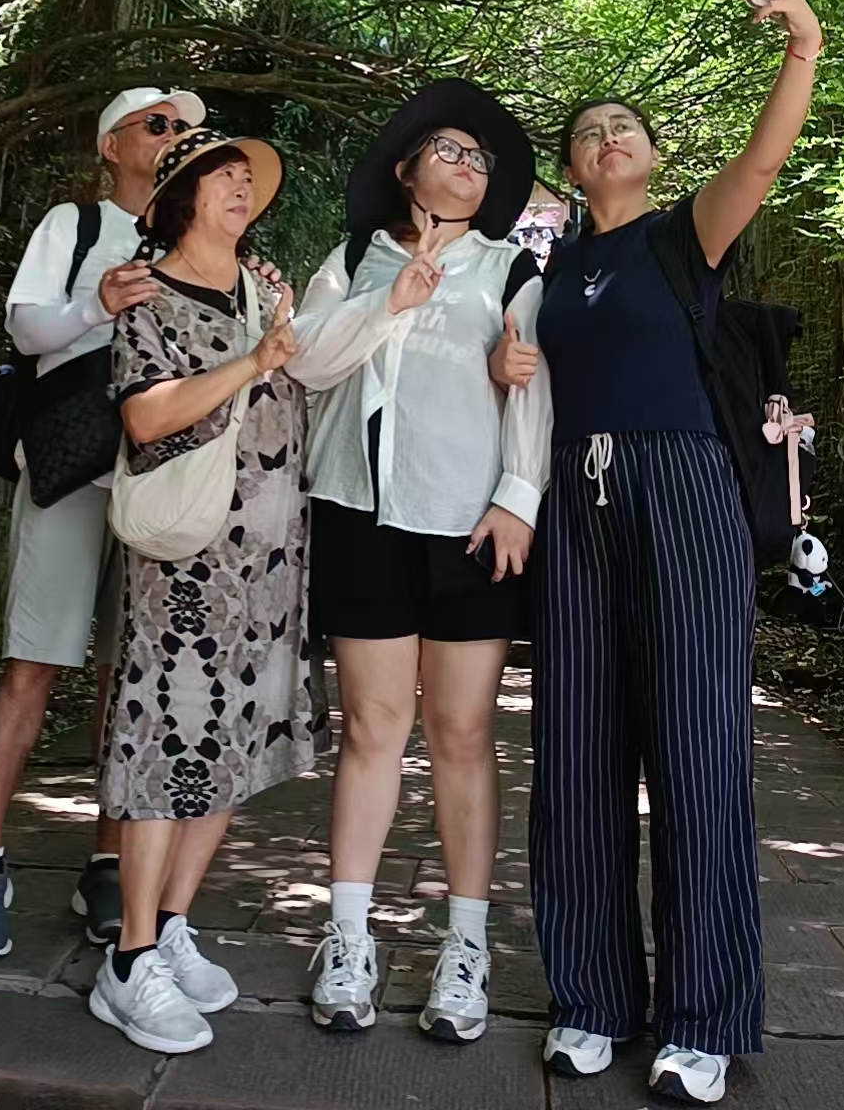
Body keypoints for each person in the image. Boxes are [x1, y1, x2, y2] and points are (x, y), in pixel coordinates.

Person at [518, 0, 822, 1105]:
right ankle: (591, 999)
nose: (608, 138)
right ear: (569, 168)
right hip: (576, 498)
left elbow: (763, 160)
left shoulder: (683, 235)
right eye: (588, 132)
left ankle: (702, 1018)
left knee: (696, 755)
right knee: (575, 756)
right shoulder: (552, 271)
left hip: (684, 491)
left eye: (625, 128)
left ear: (650, 155)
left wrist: (800, 41)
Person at [299, 79, 552, 1045]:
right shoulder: (352, 261)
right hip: (359, 515)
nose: (468, 164)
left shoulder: (510, 269)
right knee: (371, 728)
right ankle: (348, 937)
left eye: (480, 158)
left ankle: (466, 944)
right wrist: (389, 304)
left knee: (461, 731)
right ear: (406, 170)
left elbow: (532, 387)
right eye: (448, 149)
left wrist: (517, 497)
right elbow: (307, 363)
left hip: (467, 523)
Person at [90, 122, 334, 1054]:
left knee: (228, 744)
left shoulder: (263, 289)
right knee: (167, 745)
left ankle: (172, 926)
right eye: (219, 175)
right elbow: (147, 417)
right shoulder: (146, 297)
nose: (239, 187)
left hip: (267, 564)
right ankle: (128, 959)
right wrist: (251, 364)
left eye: (245, 176)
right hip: (185, 564)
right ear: (180, 198)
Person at [0, 87, 205, 961]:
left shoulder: (196, 239)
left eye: (185, 129)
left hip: (158, 483)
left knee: (125, 677)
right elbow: (28, 331)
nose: (173, 138)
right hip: (69, 469)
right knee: (34, 662)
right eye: (157, 125)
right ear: (112, 145)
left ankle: (106, 862)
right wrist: (98, 304)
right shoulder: (76, 224)